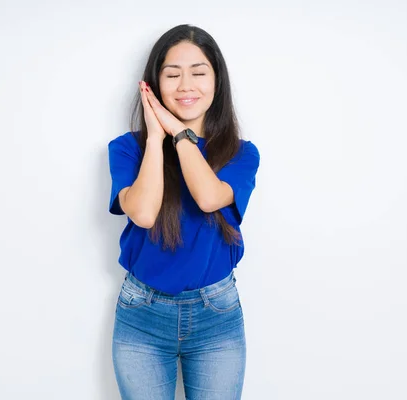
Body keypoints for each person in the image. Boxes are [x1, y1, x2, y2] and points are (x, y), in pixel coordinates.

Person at [107, 24, 260, 400]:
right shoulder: (127, 150)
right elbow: (142, 213)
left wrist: (179, 133)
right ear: (154, 86)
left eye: (198, 72)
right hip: (141, 313)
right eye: (172, 75)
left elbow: (209, 198)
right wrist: (157, 139)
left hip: (216, 317)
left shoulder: (241, 153)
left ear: (217, 82)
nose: (185, 85)